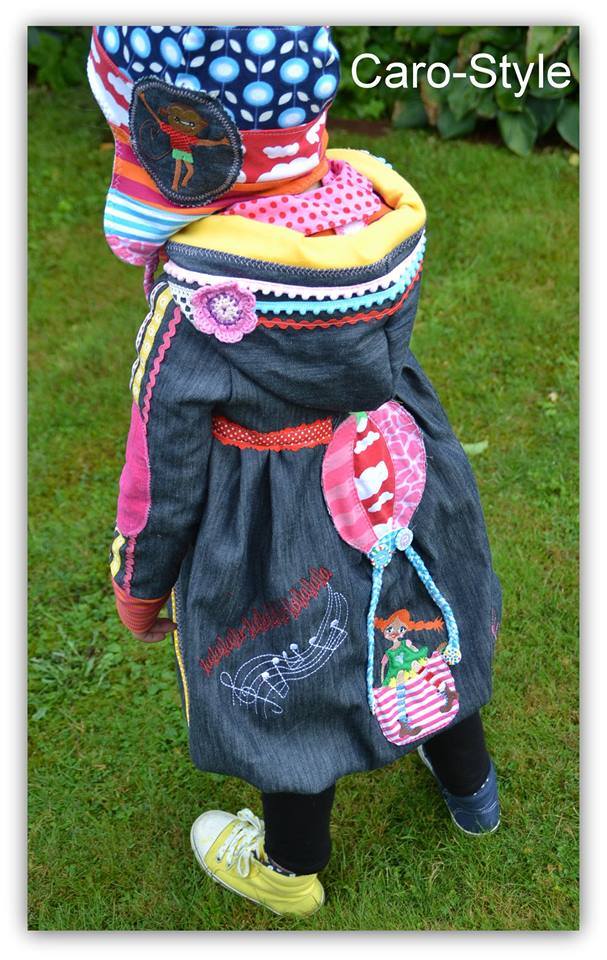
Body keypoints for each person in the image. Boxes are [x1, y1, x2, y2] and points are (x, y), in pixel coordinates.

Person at [90, 25, 502, 919]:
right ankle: (472, 791)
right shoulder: (375, 216)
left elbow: (162, 469)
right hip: (393, 469)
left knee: (281, 674)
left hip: (270, 519)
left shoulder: (195, 298)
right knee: (419, 611)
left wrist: (139, 581)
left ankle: (289, 867)